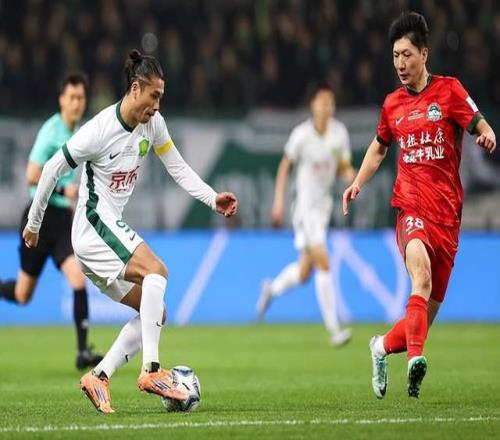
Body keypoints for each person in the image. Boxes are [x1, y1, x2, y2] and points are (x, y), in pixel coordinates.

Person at [23, 49, 238, 413]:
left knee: (156, 311)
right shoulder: (99, 130)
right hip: (93, 225)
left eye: (161, 97)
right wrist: (34, 223)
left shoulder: (153, 125)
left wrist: (211, 198)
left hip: (102, 238)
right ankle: (152, 371)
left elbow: (177, 167)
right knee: (157, 270)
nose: (157, 105)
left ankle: (99, 376)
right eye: (154, 96)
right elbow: (51, 168)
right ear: (135, 89)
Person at [342, 11, 496, 399]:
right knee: (420, 278)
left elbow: (478, 122)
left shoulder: (449, 91)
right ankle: (415, 361)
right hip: (410, 209)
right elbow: (379, 148)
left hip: (448, 218)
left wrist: (487, 133)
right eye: (395, 56)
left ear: (424, 54)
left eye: (407, 55)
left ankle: (380, 347)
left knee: (424, 315)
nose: (400, 63)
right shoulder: (392, 105)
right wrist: (357, 183)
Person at [0, 72, 103, 369]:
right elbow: (31, 176)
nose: (77, 103)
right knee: (23, 295)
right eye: (72, 97)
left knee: (78, 280)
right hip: (39, 218)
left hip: (61, 221)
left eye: (81, 98)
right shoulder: (50, 131)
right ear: (61, 100)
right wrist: (62, 191)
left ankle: (83, 352)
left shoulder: (79, 131)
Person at [257, 83, 355, 346]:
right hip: (304, 208)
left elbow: (344, 166)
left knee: (303, 273)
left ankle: (271, 289)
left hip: (323, 209)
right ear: (312, 105)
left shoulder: (339, 134)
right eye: (322, 102)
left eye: (330, 102)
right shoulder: (301, 135)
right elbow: (284, 168)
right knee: (324, 261)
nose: (326, 107)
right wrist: (278, 201)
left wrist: (351, 176)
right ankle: (334, 330)